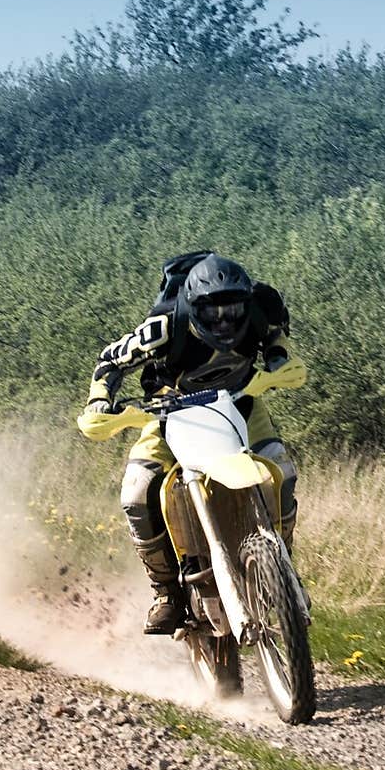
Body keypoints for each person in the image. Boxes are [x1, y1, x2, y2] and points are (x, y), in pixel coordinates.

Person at [83, 251, 303, 635]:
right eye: (213, 312)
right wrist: (99, 402)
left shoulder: (262, 307)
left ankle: (283, 569)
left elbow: (274, 334)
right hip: (170, 414)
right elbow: (110, 361)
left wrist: (279, 361)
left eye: (233, 310)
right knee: (137, 492)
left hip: (241, 404)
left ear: (246, 301)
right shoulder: (164, 327)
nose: (224, 320)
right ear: (193, 306)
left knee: (281, 470)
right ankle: (166, 592)